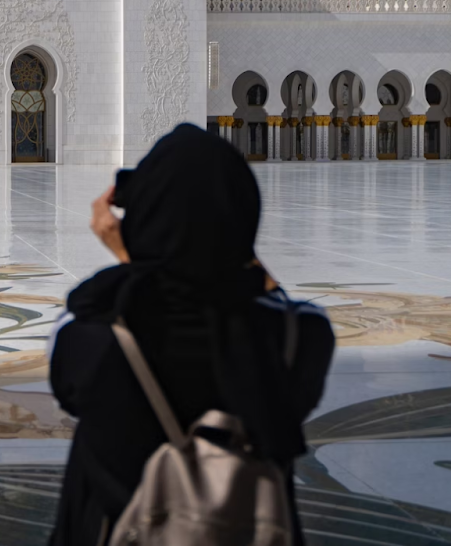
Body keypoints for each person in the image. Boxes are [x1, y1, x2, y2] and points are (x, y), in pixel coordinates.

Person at [48, 123, 334, 545]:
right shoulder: (299, 336)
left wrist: (136, 261)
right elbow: (277, 302)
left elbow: (68, 384)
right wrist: (229, 244)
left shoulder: (91, 335)